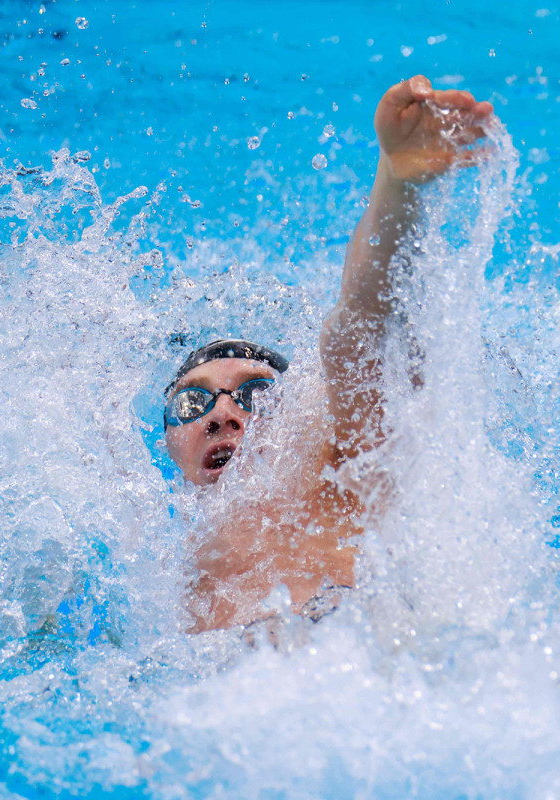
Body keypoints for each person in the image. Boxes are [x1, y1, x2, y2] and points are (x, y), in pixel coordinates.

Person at [165, 75, 496, 632]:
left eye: (256, 394)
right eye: (193, 402)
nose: (224, 413)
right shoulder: (148, 553)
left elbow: (362, 327)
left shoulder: (337, 470)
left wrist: (398, 186)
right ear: (170, 444)